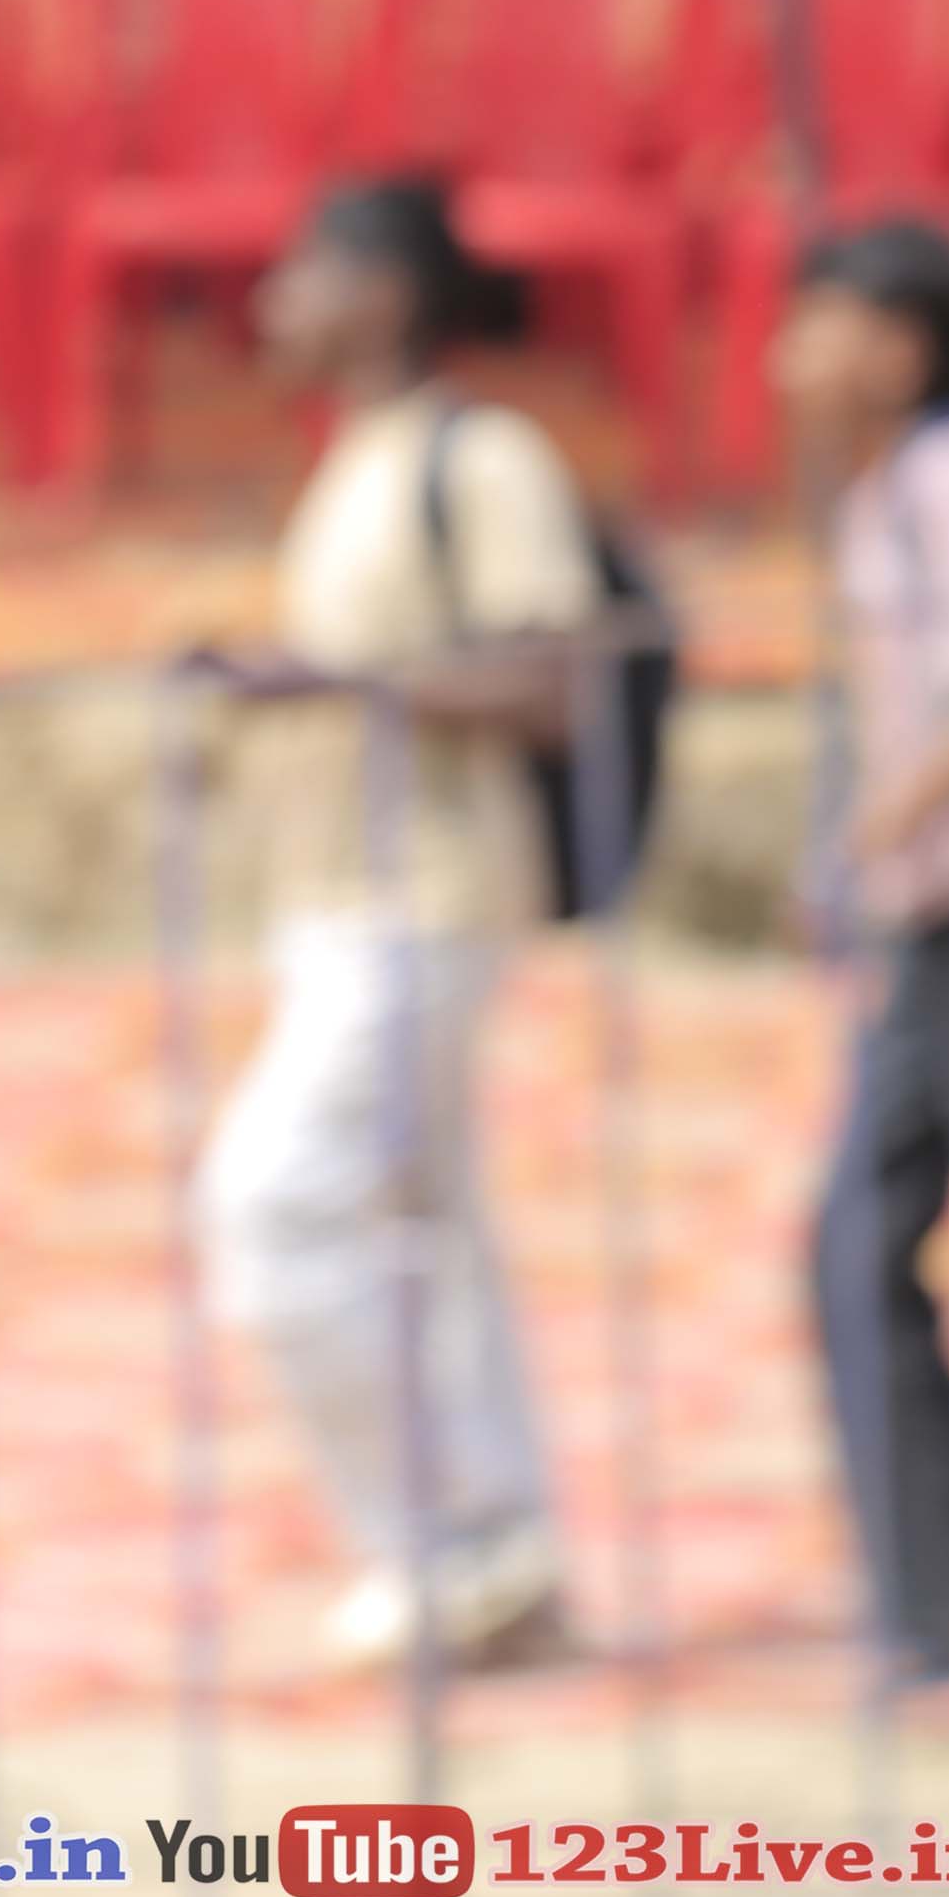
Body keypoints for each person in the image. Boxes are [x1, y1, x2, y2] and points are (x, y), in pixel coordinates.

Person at [210, 172, 616, 1671]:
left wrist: (338, 685)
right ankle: (504, 1558)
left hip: (425, 895)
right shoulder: (359, 458)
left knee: (273, 1204)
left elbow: (553, 683)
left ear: (380, 292)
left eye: (299, 274)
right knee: (432, 1233)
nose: (272, 307)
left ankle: (437, 1540)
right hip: (336, 891)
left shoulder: (481, 457)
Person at [771, 213, 949, 1685]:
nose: (787, 358)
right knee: (855, 1236)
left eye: (823, 325)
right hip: (936, 912)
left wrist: (875, 832)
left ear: (903, 347)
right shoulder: (888, 492)